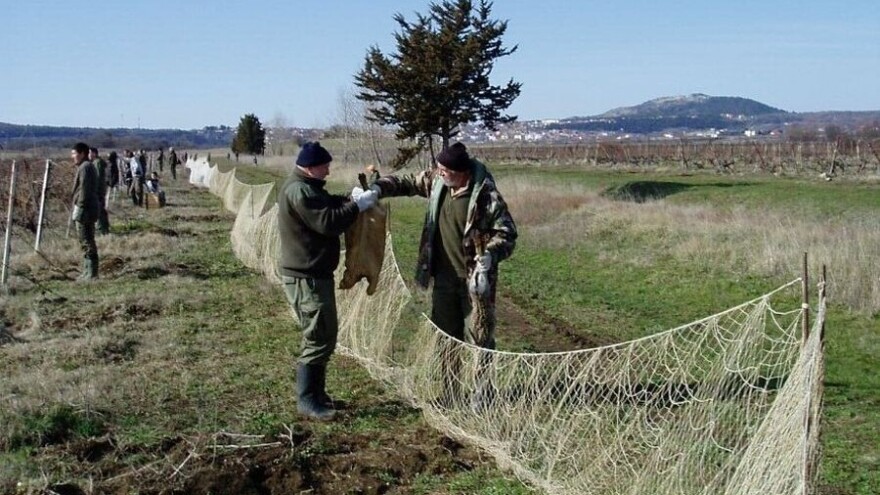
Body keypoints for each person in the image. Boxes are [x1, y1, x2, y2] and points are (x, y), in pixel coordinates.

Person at [356, 142, 517, 407]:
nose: (438, 172)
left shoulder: (486, 196)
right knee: (446, 337)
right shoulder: (438, 183)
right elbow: (407, 182)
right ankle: (450, 391)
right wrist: (377, 189)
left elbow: (507, 234)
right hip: (443, 278)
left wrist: (489, 255)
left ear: (461, 172)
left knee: (479, 337)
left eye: (444, 169)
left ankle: (482, 392)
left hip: (475, 283)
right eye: (438, 168)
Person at [278, 141, 378, 420]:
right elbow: (328, 222)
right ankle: (308, 400)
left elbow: (326, 204)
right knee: (319, 336)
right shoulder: (299, 191)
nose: (328, 171)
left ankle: (318, 395)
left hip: (313, 274)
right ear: (310, 168)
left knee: (324, 333)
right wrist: (356, 207)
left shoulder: (305, 187)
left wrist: (349, 199)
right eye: (325, 167)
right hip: (307, 278)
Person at [70, 142, 101, 280]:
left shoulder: (85, 167)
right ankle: (87, 271)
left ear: (82, 153)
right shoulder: (86, 166)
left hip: (86, 209)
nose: (72, 156)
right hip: (88, 207)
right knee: (86, 239)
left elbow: (84, 189)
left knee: (86, 240)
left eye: (74, 153)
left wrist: (80, 206)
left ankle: (91, 273)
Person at [88, 147, 110, 235]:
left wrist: (94, 190)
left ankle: (102, 229)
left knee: (99, 210)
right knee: (101, 209)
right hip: (100, 190)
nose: (88, 155)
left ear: (94, 153)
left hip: (98, 190)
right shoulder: (96, 162)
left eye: (89, 153)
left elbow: (96, 177)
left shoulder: (97, 163)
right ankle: (104, 228)